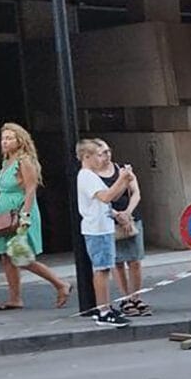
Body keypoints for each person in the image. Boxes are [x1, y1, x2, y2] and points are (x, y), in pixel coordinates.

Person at [0, 123, 72, 311]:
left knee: (20, 255)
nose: (5, 142)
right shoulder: (6, 161)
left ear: (20, 140)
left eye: (9, 138)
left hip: (19, 212)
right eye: (3, 138)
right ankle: (14, 297)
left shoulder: (24, 161)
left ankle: (60, 284)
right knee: (6, 256)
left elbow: (30, 189)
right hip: (4, 214)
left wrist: (24, 216)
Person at [75, 139, 135, 327]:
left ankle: (105, 306)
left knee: (104, 267)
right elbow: (106, 196)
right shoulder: (86, 176)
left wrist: (124, 181)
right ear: (87, 157)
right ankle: (103, 310)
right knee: (101, 269)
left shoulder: (91, 176)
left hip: (103, 225)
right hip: (97, 228)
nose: (102, 159)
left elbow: (111, 197)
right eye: (98, 155)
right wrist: (121, 178)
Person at [92, 139, 151, 318]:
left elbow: (136, 192)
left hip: (131, 217)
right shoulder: (92, 175)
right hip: (110, 219)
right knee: (117, 262)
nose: (106, 155)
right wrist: (117, 214)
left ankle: (136, 296)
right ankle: (125, 298)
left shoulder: (123, 170)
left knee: (135, 260)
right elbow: (98, 199)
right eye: (102, 153)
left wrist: (127, 213)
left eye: (108, 151)